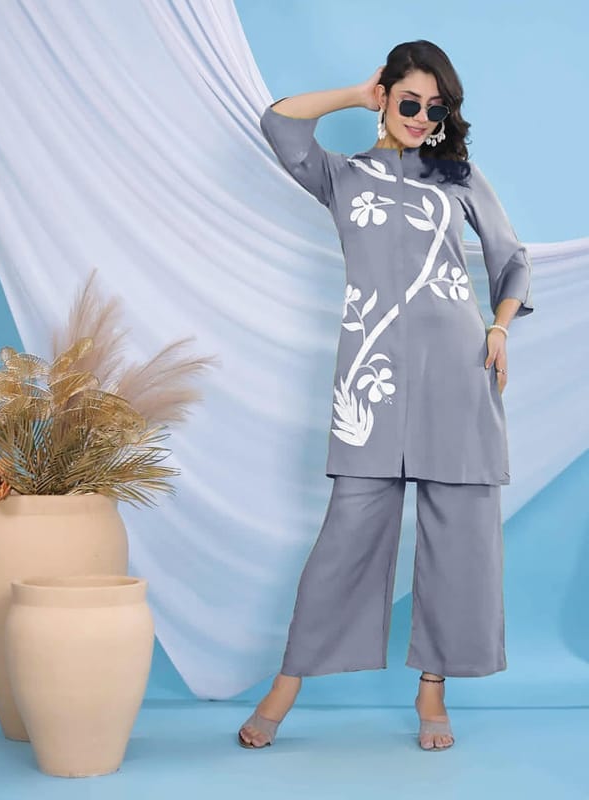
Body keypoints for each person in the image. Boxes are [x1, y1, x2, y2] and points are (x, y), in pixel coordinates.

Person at [238, 39, 533, 752]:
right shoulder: (343, 176)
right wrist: (352, 93)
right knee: (348, 535)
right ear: (385, 97)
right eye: (409, 101)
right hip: (371, 381)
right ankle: (288, 683)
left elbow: (511, 260)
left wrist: (498, 328)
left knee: (460, 538)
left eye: (436, 108)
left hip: (458, 374)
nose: (422, 117)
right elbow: (279, 122)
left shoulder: (458, 177)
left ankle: (433, 689)